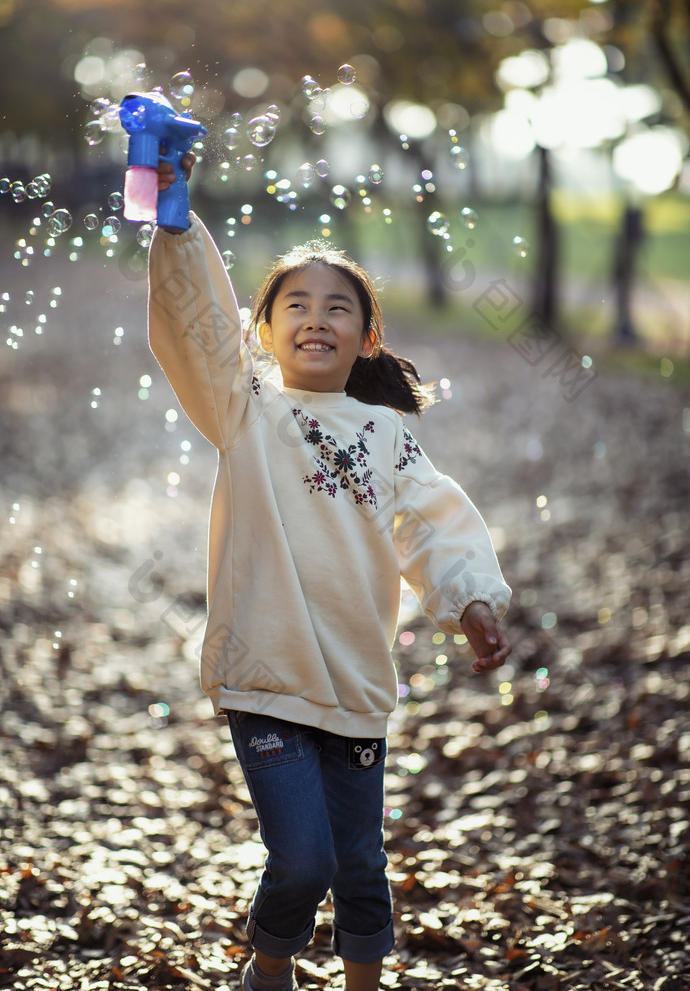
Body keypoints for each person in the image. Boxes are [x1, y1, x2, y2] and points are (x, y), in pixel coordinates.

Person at [149, 155, 512, 991]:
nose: (316, 319)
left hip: (356, 684)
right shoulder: (244, 411)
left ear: (367, 336)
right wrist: (176, 228)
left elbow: (435, 522)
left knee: (359, 864)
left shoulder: (388, 437)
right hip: (265, 678)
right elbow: (194, 324)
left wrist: (471, 602)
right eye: (296, 306)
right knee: (303, 858)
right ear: (263, 331)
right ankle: (269, 966)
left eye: (337, 307)